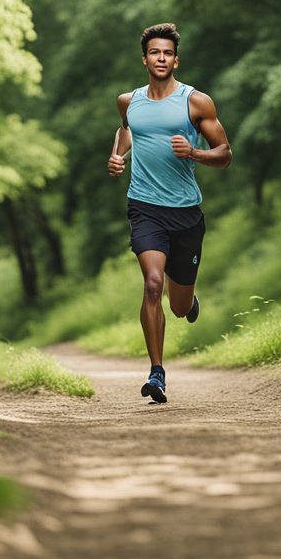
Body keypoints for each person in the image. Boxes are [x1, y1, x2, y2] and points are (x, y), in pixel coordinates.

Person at [107, 23, 232, 403]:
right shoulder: (129, 101)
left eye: (167, 53)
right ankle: (157, 373)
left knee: (177, 305)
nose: (160, 58)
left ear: (176, 59)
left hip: (186, 213)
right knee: (152, 284)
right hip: (144, 207)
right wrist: (117, 156)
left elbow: (225, 153)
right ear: (144, 58)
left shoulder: (196, 102)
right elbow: (127, 130)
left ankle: (189, 300)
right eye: (154, 53)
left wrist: (193, 153)